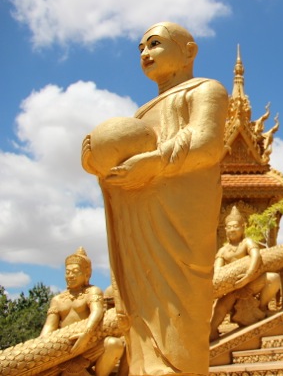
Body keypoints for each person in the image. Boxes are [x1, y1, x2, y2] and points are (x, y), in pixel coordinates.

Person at [81, 22, 228, 375]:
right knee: (140, 302)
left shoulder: (206, 90)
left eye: (155, 44)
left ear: (189, 52)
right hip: (137, 213)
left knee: (178, 300)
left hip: (179, 216)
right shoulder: (141, 113)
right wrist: (94, 159)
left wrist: (155, 161)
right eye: (141, 48)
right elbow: (120, 160)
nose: (145, 53)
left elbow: (207, 142)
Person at [40, 247, 125, 376]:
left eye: (75, 272)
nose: (70, 275)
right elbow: (49, 326)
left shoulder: (92, 291)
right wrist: (40, 346)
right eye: (67, 272)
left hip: (88, 343)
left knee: (115, 344)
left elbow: (97, 312)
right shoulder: (57, 299)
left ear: (86, 274)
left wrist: (86, 334)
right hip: (64, 347)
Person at [209, 206, 281, 340]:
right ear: (225, 230)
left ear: (243, 227)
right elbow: (218, 271)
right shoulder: (223, 251)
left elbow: (256, 257)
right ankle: (212, 330)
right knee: (221, 306)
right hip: (233, 287)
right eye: (229, 227)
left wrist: (248, 276)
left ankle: (262, 306)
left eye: (235, 226)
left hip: (250, 282)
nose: (232, 229)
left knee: (273, 278)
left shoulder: (246, 243)